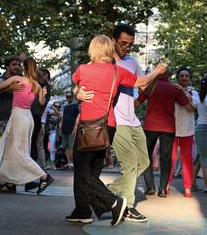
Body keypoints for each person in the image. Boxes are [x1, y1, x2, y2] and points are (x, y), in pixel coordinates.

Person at [66, 35, 167, 226]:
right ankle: (82, 210)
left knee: (82, 171)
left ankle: (113, 202)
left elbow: (76, 83)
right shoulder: (117, 72)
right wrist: (156, 72)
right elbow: (141, 82)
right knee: (93, 171)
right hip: (109, 125)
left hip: (88, 126)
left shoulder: (83, 69)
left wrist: (78, 92)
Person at [0, 57, 54, 194]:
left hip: (18, 116)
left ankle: (45, 177)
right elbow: (41, 103)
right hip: (27, 118)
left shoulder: (18, 79)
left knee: (18, 152)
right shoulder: (37, 85)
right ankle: (10, 183)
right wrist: (43, 94)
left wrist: (10, 87)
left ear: (24, 67)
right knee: (13, 150)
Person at [106, 23, 153, 222]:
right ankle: (127, 206)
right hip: (116, 120)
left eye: (130, 44)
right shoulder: (106, 63)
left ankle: (106, 193)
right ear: (114, 40)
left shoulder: (132, 62)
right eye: (123, 43)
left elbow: (144, 88)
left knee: (143, 162)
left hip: (133, 120)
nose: (127, 47)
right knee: (130, 164)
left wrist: (156, 77)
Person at [137, 71, 193, 198]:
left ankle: (150, 187)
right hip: (168, 127)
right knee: (166, 158)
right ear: (170, 75)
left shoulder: (150, 86)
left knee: (146, 155)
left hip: (150, 125)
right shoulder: (175, 88)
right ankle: (162, 190)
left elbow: (137, 103)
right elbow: (189, 108)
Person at [169, 67, 199, 197]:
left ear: (190, 78)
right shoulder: (172, 89)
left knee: (187, 158)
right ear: (178, 78)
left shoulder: (193, 92)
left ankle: (187, 187)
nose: (184, 78)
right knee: (171, 158)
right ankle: (166, 185)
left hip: (187, 129)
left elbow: (195, 104)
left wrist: (184, 92)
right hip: (172, 128)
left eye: (187, 75)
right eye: (182, 75)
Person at [0, 55, 22, 136]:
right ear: (7, 67)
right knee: (6, 147)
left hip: (19, 119)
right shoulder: (1, 79)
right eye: (14, 64)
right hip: (4, 119)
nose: (17, 67)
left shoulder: (21, 78)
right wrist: (10, 88)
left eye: (19, 65)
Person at [31, 68, 52, 164]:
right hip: (34, 119)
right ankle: (40, 167)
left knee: (38, 146)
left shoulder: (45, 88)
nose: (42, 77)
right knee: (37, 146)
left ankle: (42, 167)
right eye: (41, 75)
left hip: (40, 122)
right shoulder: (35, 86)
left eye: (44, 75)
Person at [59, 91, 79, 170]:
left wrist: (75, 127)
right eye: (67, 97)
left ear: (73, 96)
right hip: (65, 129)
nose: (68, 98)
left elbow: (77, 118)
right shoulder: (66, 106)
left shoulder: (76, 106)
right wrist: (60, 127)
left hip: (72, 129)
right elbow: (63, 118)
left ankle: (72, 163)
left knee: (71, 147)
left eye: (69, 96)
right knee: (65, 146)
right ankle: (69, 162)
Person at [45, 101, 61, 169]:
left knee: (52, 148)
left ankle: (52, 163)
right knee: (44, 148)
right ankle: (46, 163)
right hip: (46, 131)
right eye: (55, 106)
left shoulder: (59, 114)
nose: (57, 107)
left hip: (53, 132)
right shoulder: (49, 112)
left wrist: (54, 108)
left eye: (58, 106)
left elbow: (58, 125)